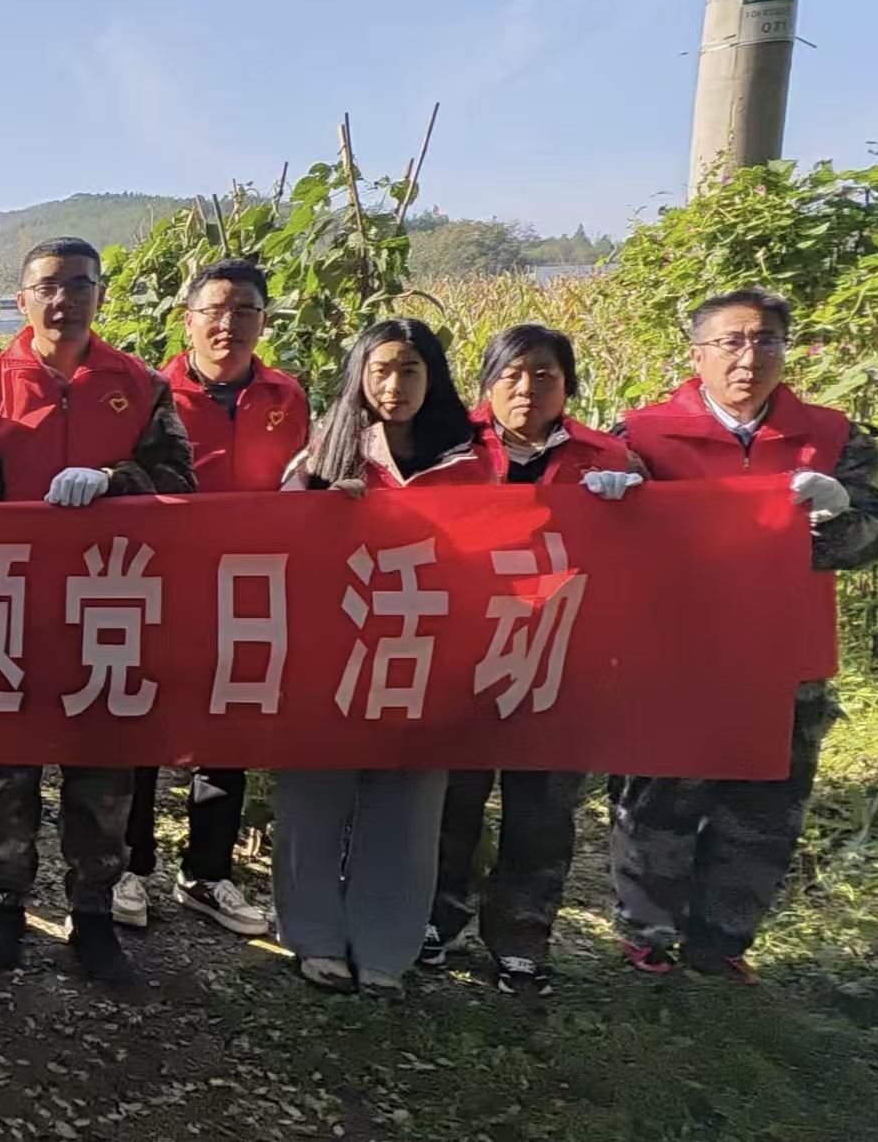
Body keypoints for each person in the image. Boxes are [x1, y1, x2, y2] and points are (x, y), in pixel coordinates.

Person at [608, 287, 878, 982]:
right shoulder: (641, 436)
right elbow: (605, 540)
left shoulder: (832, 438)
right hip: (672, 653)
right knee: (659, 794)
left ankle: (723, 939)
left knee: (765, 802)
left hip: (784, 651)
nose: (748, 357)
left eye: (765, 340)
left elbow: (873, 540)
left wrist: (837, 514)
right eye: (730, 341)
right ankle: (648, 933)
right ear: (697, 354)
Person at [0, 237, 197, 979]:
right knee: (6, 764)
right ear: (22, 299)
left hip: (110, 601)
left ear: (101, 293)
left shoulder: (141, 385)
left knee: (105, 764)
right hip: (16, 603)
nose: (63, 300)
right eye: (47, 287)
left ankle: (93, 910)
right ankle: (4, 900)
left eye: (79, 285)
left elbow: (179, 479)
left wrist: (115, 478)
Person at [419, 323, 644, 994]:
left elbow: (648, 554)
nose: (527, 389)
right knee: (453, 800)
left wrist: (634, 505)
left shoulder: (608, 458)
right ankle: (437, 917)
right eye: (511, 375)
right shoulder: (448, 447)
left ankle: (521, 936)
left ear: (567, 385)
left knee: (542, 809)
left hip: (562, 656)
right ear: (487, 385)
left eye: (544, 375)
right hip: (465, 650)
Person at [275, 318, 495, 996]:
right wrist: (321, 509)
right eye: (380, 370)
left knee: (410, 802)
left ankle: (384, 945)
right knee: (314, 796)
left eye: (409, 370)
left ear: (434, 378)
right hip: (333, 650)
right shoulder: (324, 452)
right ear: (360, 378)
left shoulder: (471, 462)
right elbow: (273, 539)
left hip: (427, 653)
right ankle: (314, 936)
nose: (394, 385)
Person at [122, 259, 310, 939]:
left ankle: (207, 871)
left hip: (250, 586)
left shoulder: (288, 396)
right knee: (142, 723)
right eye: (215, 311)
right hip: (164, 583)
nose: (229, 324)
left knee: (227, 731)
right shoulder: (151, 392)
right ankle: (130, 865)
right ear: (188, 320)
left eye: (245, 312)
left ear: (264, 321)